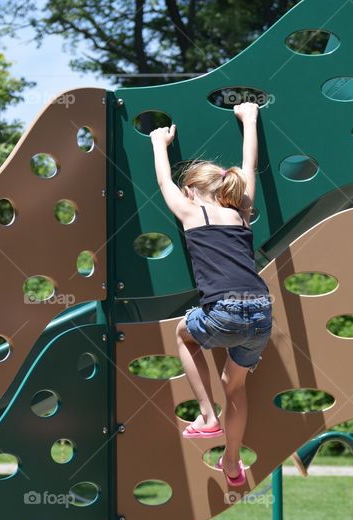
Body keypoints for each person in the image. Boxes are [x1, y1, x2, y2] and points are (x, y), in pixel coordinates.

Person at [149, 102, 272, 488]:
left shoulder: (190, 213)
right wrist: (249, 119)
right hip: (262, 312)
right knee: (234, 384)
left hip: (225, 309)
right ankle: (232, 462)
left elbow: (163, 183)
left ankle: (207, 415)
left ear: (191, 192)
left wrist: (159, 142)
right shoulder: (240, 212)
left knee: (183, 335)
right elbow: (248, 167)